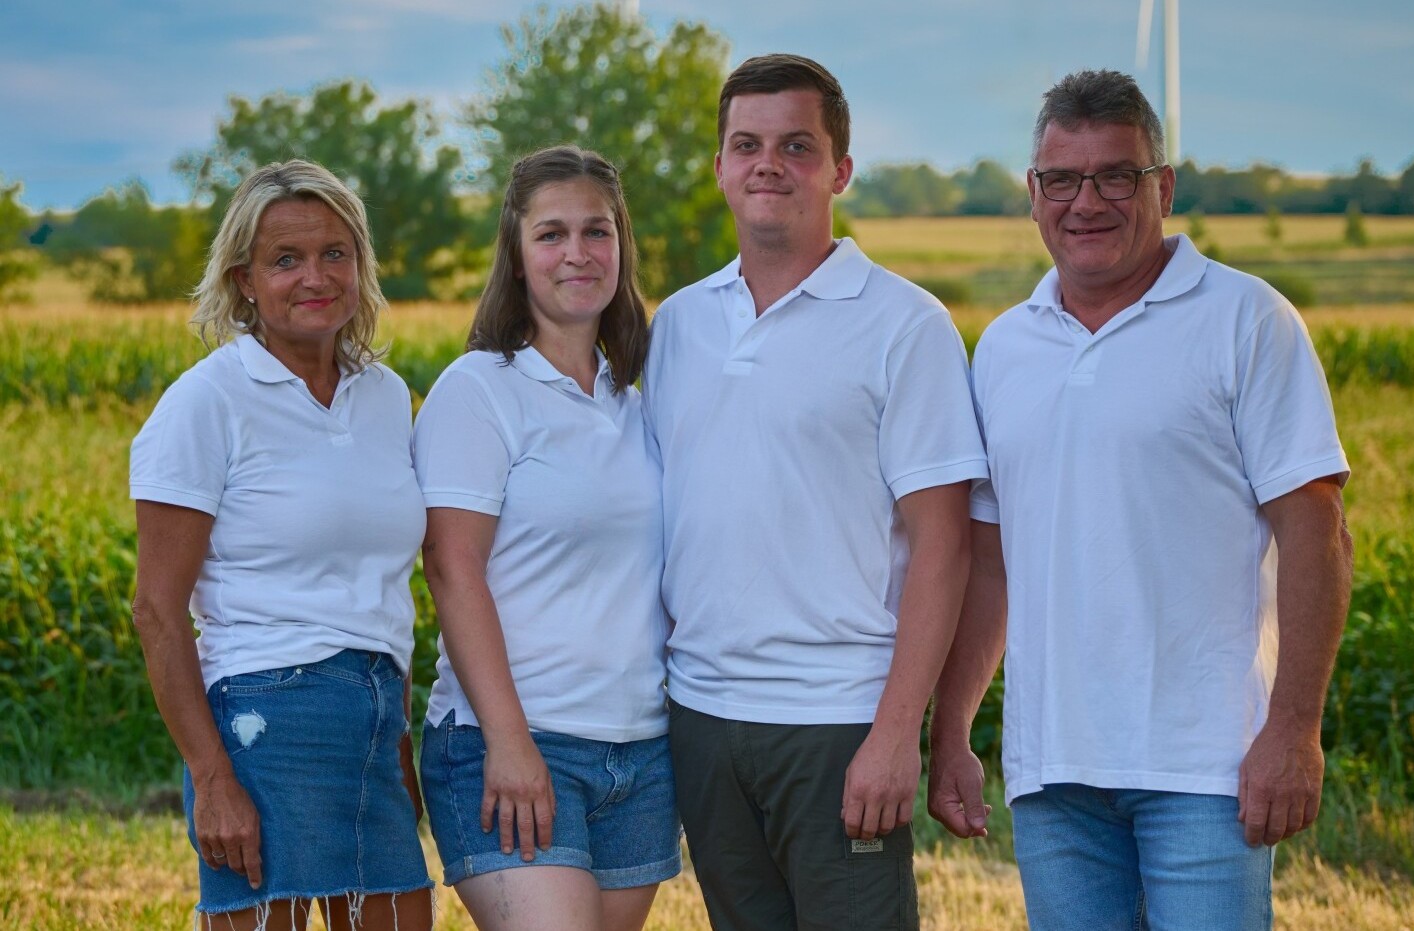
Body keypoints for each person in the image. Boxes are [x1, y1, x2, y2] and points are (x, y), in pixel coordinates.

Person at [927, 69, 1353, 930]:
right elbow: (992, 563)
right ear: (1033, 193)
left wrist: (1293, 729)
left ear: (1163, 186)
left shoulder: (1246, 320)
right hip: (1054, 770)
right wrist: (953, 730)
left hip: (1207, 767)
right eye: (1062, 179)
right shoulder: (1004, 348)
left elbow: (1319, 532)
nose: (1086, 202)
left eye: (1115, 176)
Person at [643, 54, 989, 930]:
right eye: (747, 145)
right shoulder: (677, 324)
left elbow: (945, 546)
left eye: (797, 146)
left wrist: (898, 732)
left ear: (840, 169)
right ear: (720, 166)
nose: (769, 165)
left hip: (838, 718)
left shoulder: (905, 325)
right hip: (702, 715)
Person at [129, 159, 433, 930]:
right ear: (245, 280)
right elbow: (157, 610)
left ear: (360, 264)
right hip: (263, 727)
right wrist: (212, 777)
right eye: (286, 259)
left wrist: (398, 738)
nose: (315, 277)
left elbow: (385, 587)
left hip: (375, 721)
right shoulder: (206, 402)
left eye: (335, 253)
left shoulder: (385, 396)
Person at [412, 144, 678, 931]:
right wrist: (509, 739)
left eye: (597, 231)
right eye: (551, 234)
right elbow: (451, 566)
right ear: (517, 252)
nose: (577, 253)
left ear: (622, 245)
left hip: (640, 750)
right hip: (513, 740)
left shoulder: (637, 400)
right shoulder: (480, 390)